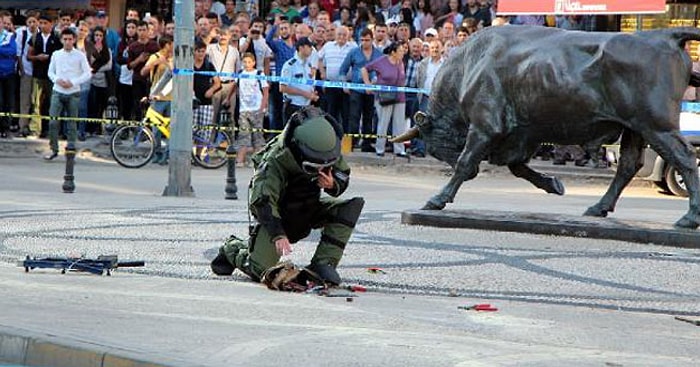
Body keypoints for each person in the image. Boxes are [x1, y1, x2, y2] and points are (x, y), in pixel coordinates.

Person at [211, 106, 365, 286]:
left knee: (349, 207)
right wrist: (277, 234)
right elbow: (262, 201)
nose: (321, 169)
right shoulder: (275, 160)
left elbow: (342, 173)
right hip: (279, 215)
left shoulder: (325, 148)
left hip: (309, 208)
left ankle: (323, 263)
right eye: (314, 167)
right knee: (261, 270)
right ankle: (233, 248)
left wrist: (333, 184)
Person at [44, 28, 92, 160]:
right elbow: (50, 72)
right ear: (61, 40)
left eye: (70, 39)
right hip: (58, 91)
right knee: (53, 121)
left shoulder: (80, 55)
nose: (67, 42)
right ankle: (54, 148)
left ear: (74, 40)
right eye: (65, 39)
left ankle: (70, 150)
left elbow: (87, 73)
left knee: (72, 123)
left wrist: (74, 82)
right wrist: (57, 80)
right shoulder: (56, 54)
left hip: (73, 92)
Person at [338, 28, 383, 152]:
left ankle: (366, 144)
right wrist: (344, 85)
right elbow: (342, 70)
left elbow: (382, 72)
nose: (364, 43)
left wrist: (375, 82)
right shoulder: (353, 52)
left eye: (367, 40)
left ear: (372, 40)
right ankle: (352, 143)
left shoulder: (379, 54)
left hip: (371, 90)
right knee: (354, 116)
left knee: (369, 117)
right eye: (362, 40)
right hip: (356, 89)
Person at [361, 41, 408, 157]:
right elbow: (364, 69)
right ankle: (380, 148)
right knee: (383, 122)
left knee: (399, 123)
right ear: (393, 52)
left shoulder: (401, 62)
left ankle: (399, 149)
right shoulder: (382, 61)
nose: (403, 53)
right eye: (401, 51)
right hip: (384, 97)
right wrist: (368, 84)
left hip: (400, 96)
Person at [28, 14, 62, 138]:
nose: (42, 25)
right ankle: (37, 129)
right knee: (36, 102)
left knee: (51, 103)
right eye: (40, 23)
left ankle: (51, 130)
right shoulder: (35, 37)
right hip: (38, 75)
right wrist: (37, 57)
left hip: (52, 76)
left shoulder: (57, 37)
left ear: (51, 24)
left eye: (45, 23)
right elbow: (28, 55)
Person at [235, 52, 268, 166]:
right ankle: (240, 160)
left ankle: (257, 160)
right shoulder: (240, 74)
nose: (247, 64)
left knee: (257, 136)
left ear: (254, 63)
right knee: (244, 134)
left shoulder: (259, 74)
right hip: (244, 110)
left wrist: (262, 107)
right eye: (245, 62)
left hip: (257, 109)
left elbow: (265, 91)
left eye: (249, 62)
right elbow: (235, 88)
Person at [280, 37, 318, 122]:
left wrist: (312, 93)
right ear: (301, 48)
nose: (311, 50)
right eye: (309, 47)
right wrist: (304, 94)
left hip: (306, 105)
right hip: (293, 105)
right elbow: (283, 88)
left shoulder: (308, 65)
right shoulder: (290, 65)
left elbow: (308, 83)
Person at [0, 10, 17, 139]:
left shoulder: (9, 36)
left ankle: (6, 127)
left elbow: (12, 51)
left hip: (9, 73)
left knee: (9, 102)